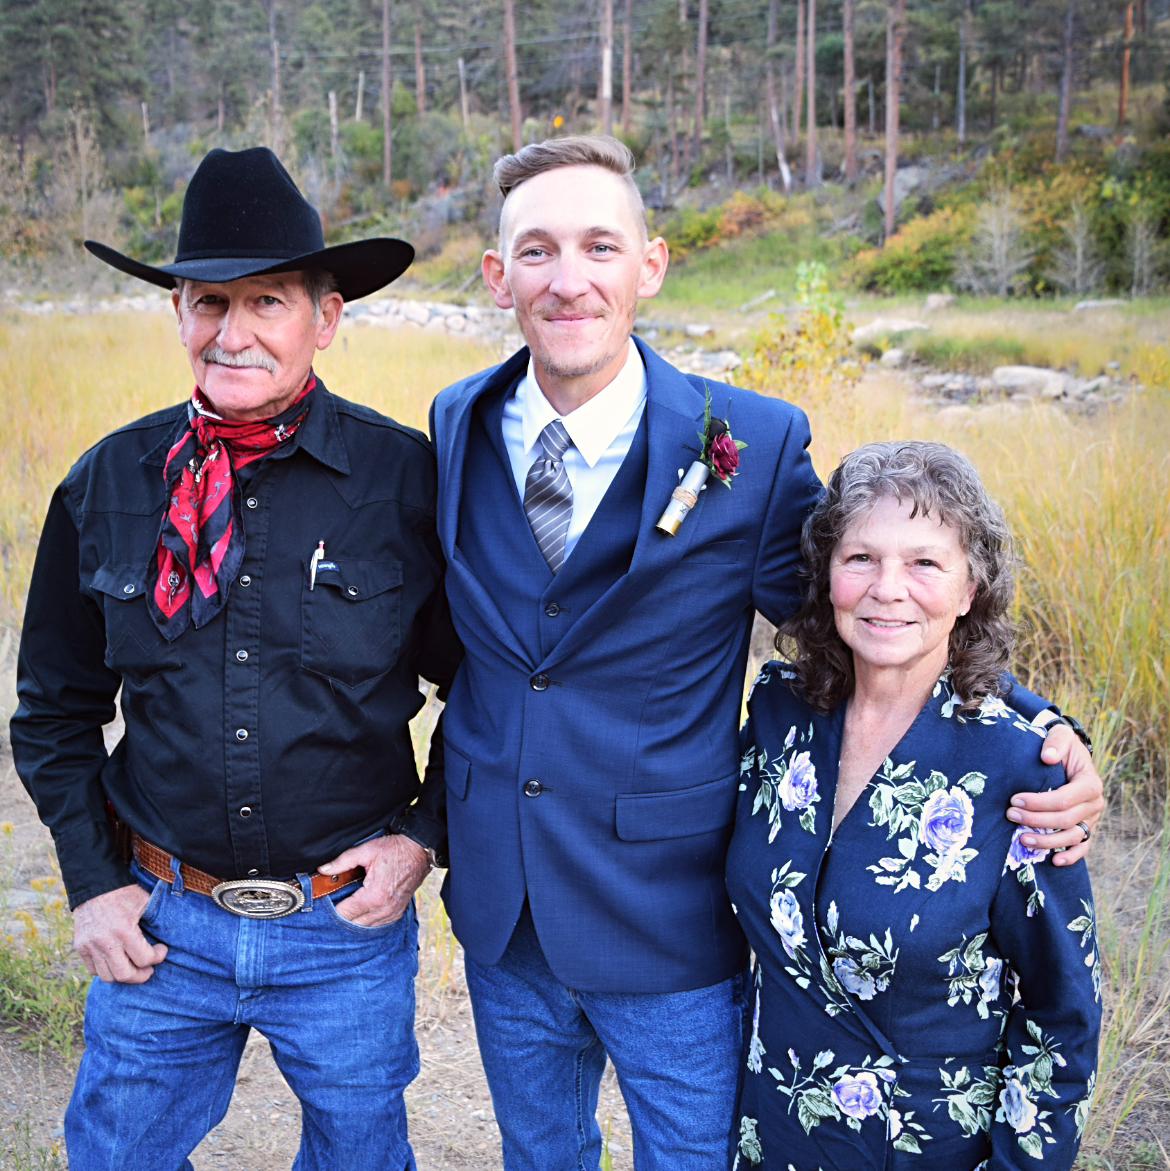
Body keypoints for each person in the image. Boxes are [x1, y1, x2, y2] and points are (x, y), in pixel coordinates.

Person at [429, 134, 1103, 1170]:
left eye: (600, 247)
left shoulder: (748, 442)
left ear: (648, 266)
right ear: (497, 274)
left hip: (666, 914)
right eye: (538, 251)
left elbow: (875, 606)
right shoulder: (456, 421)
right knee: (539, 1153)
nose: (570, 280)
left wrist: (1042, 727)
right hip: (500, 908)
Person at [9, 147, 460, 1171]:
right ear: (179, 314)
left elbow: (479, 685)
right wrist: (92, 883)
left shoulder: (404, 482)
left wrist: (420, 838)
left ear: (325, 317)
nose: (235, 331)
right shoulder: (108, 484)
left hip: (345, 923)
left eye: (267, 301)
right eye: (209, 302)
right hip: (161, 923)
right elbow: (53, 710)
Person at [727, 441, 1101, 1169]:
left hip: (924, 1148)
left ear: (970, 588)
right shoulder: (779, 713)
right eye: (860, 558)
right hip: (772, 1134)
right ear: (826, 575)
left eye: (924, 563)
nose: (887, 588)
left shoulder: (1022, 769)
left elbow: (1063, 1014)